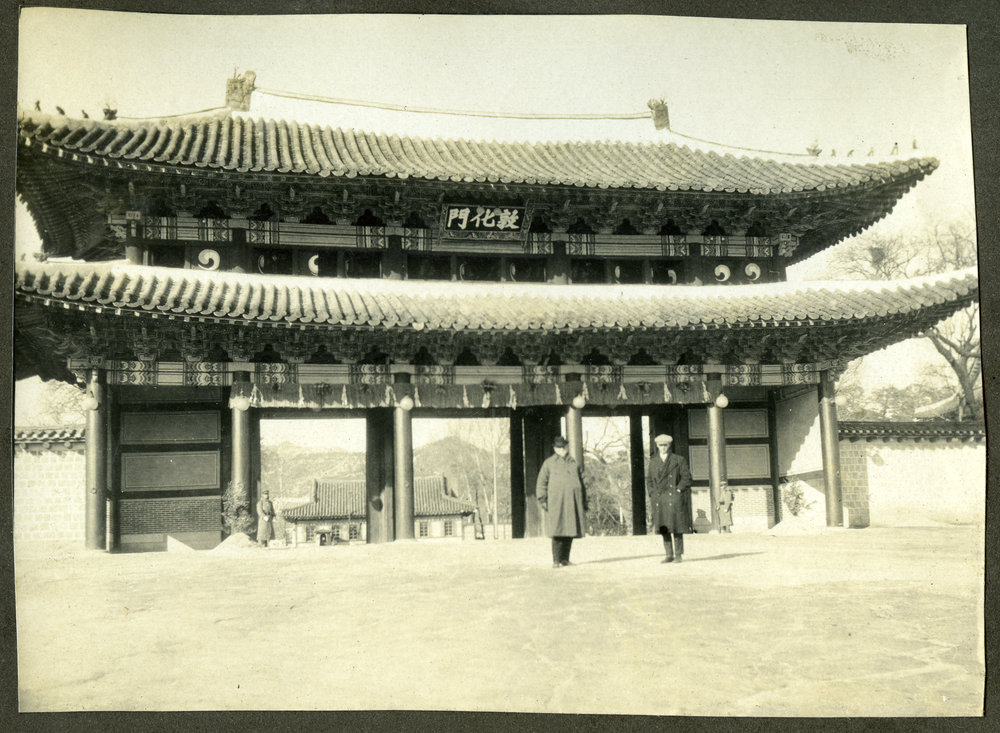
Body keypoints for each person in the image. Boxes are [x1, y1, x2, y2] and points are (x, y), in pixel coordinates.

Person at [536, 435, 588, 568]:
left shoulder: (574, 463)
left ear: (567, 447)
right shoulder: (549, 463)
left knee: (570, 530)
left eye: (563, 446)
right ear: (554, 448)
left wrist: (584, 501)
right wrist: (543, 499)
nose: (562, 449)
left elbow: (583, 482)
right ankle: (556, 560)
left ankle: (565, 559)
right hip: (556, 502)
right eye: (559, 447)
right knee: (557, 530)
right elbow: (541, 482)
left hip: (572, 502)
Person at [646, 434, 693, 563]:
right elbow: (649, 480)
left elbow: (687, 477)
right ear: (657, 446)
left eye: (665, 445)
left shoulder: (678, 460)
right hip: (659, 498)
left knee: (677, 527)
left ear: (669, 445)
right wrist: (652, 493)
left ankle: (678, 555)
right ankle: (669, 554)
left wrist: (678, 490)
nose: (663, 447)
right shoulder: (653, 462)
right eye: (660, 445)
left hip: (673, 497)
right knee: (664, 527)